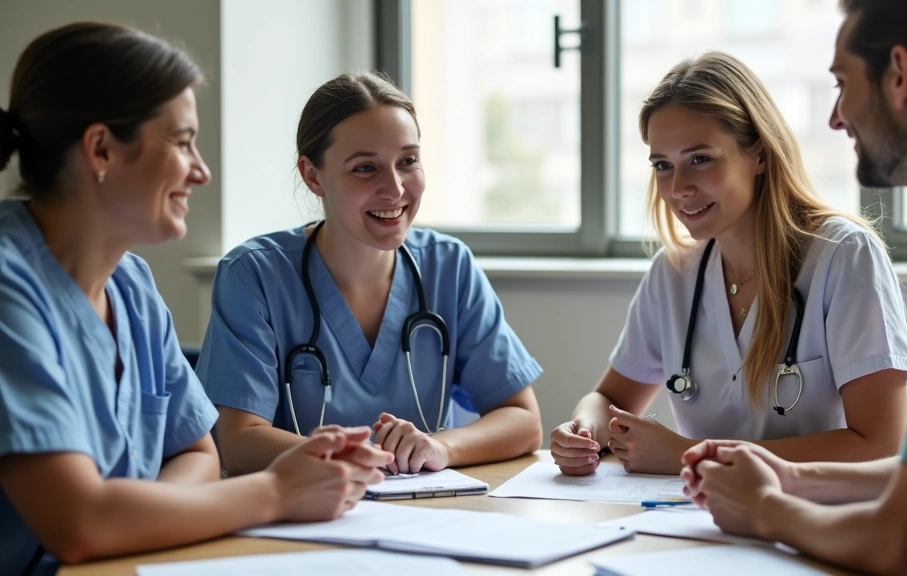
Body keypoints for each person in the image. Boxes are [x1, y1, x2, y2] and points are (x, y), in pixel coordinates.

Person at [0, 23, 393, 576]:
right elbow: (81, 523)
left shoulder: (130, 286)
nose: (202, 171)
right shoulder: (8, 294)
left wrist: (138, 518)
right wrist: (277, 491)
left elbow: (197, 456)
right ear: (101, 149)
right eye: (183, 142)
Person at [682, 2, 907, 574]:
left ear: (899, 74)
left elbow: (904, 546)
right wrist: (791, 477)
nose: (837, 118)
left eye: (843, 84)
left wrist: (766, 510)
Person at [551, 51, 907, 476]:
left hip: (824, 519)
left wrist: (694, 454)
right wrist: (584, 430)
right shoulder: (673, 274)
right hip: (707, 521)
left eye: (700, 159)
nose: (679, 188)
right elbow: (608, 399)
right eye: (662, 165)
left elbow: (881, 444)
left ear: (759, 154)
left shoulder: (844, 256)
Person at [197, 72, 544, 476]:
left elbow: (522, 418)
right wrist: (358, 460)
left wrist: (439, 447)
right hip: (303, 519)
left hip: (428, 515)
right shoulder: (253, 276)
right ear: (313, 176)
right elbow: (237, 441)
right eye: (365, 168)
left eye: (408, 161)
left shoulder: (449, 266)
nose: (395, 189)